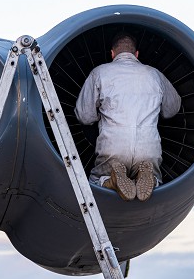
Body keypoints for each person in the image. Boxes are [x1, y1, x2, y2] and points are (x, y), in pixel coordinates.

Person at [75, 32, 181, 201]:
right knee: (155, 178)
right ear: (136, 54)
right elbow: (172, 109)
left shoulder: (99, 73)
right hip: (148, 150)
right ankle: (149, 177)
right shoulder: (155, 75)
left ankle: (109, 181)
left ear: (112, 53)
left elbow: (84, 116)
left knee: (94, 182)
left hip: (113, 149)